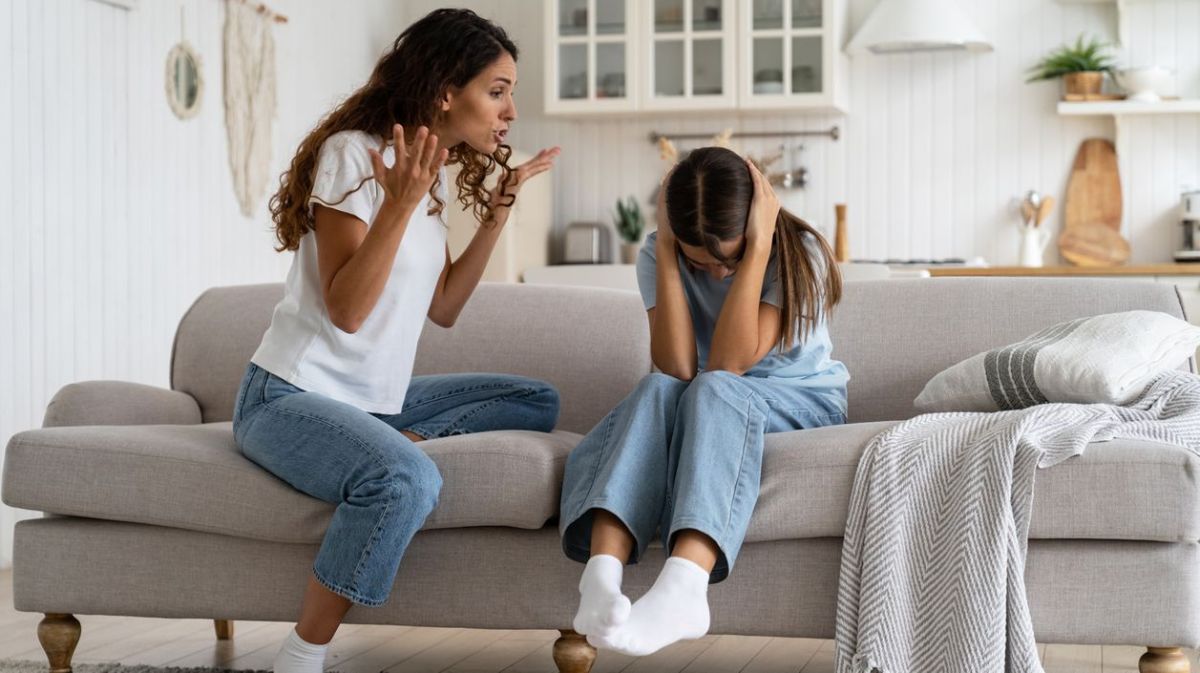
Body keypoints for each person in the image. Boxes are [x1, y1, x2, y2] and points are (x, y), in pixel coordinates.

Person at [231, 9, 560, 673]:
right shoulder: (353, 156)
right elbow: (347, 311)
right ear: (446, 90)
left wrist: (495, 218)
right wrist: (400, 204)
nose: (510, 111)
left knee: (535, 400)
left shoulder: (426, 171)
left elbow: (442, 308)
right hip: (288, 397)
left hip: (370, 404)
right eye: (497, 91)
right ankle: (299, 657)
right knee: (406, 478)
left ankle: (395, 435)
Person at [559, 146, 850, 657]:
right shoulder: (658, 252)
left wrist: (757, 251)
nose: (717, 274)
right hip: (709, 396)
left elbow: (728, 365)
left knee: (714, 388)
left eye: (729, 260)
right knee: (655, 388)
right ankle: (600, 576)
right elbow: (675, 367)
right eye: (701, 262)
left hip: (800, 403)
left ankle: (685, 586)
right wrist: (669, 253)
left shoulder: (795, 251)